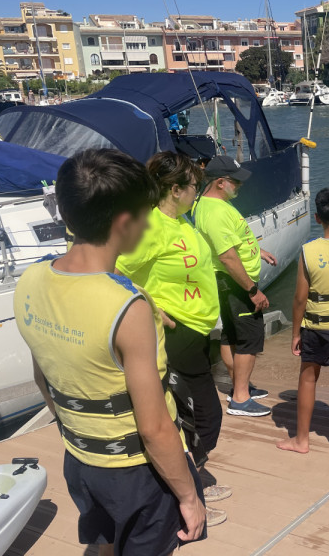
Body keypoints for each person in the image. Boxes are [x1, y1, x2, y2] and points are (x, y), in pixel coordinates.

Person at [14, 148, 206, 555]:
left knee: (102, 543)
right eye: (145, 214)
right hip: (136, 474)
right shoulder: (129, 306)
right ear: (125, 223)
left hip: (81, 458)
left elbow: (43, 377)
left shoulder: (31, 279)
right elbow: (154, 429)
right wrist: (189, 496)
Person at [115, 151, 230, 527]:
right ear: (176, 189)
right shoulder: (150, 225)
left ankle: (193, 478)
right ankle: (188, 493)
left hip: (198, 332)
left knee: (197, 418)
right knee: (201, 418)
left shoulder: (181, 220)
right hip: (174, 335)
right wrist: (149, 306)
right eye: (195, 186)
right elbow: (113, 268)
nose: (198, 191)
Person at [277, 188, 329, 458]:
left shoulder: (308, 251)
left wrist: (295, 333)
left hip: (315, 326)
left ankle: (302, 440)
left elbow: (300, 298)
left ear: (316, 217)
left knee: (307, 379)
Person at [193, 155, 277, 417]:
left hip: (228, 282)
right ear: (220, 182)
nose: (239, 186)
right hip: (235, 284)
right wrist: (252, 290)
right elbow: (227, 256)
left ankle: (238, 386)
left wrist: (256, 251)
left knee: (231, 335)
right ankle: (240, 398)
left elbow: (231, 243)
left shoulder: (209, 204)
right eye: (235, 182)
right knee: (249, 339)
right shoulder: (215, 211)